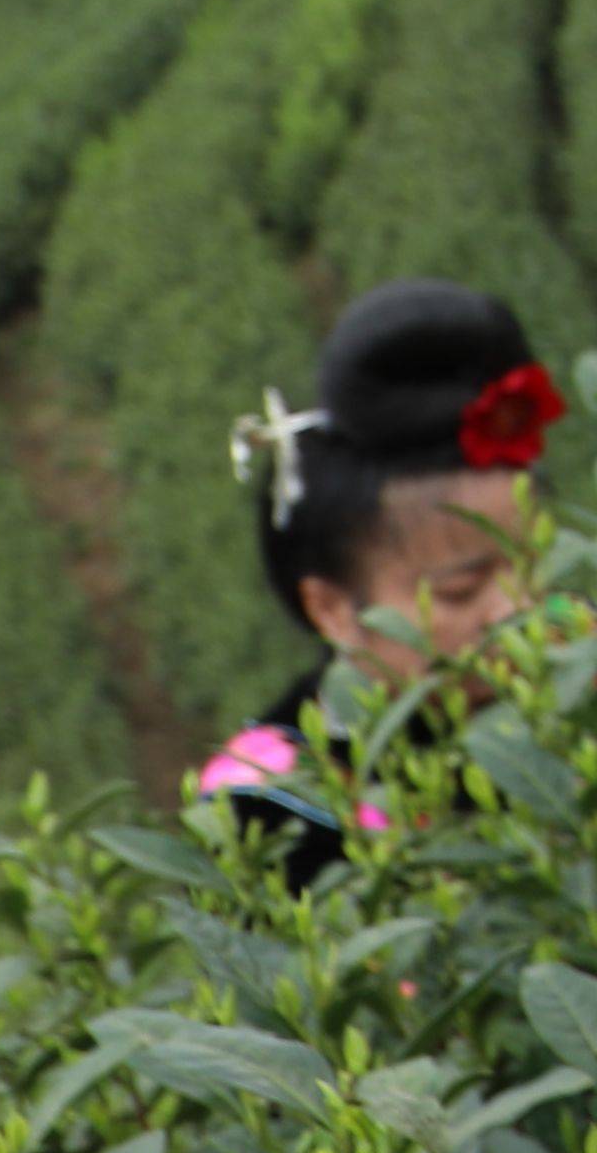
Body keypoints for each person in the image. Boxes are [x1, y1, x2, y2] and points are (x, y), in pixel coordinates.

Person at [194, 278, 562, 868]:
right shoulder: (267, 806)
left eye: (532, 562)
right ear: (332, 608)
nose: (517, 608)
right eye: (460, 589)